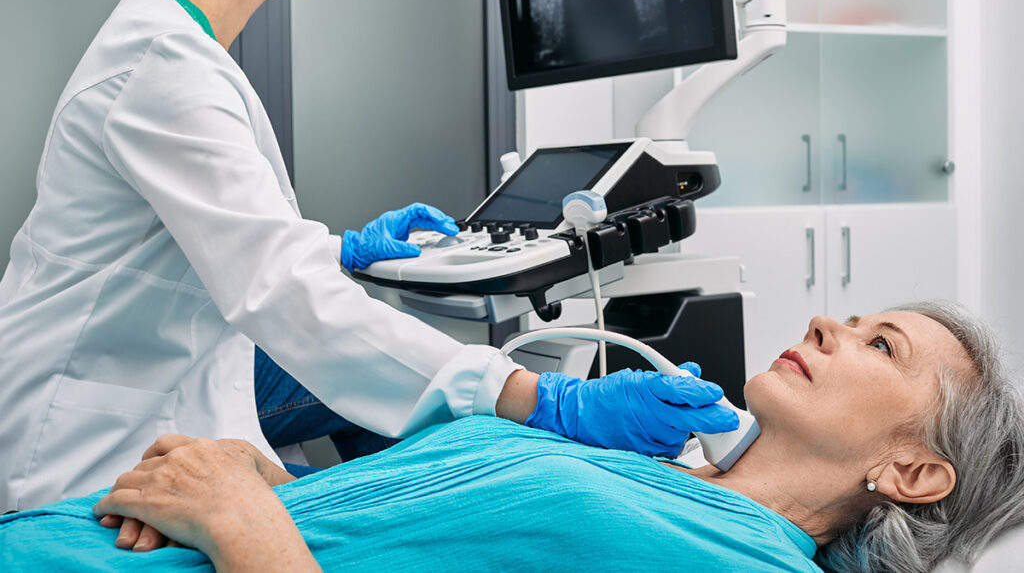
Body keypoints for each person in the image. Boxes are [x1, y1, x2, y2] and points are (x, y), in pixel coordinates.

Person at [0, 0, 737, 513]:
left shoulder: (175, 48)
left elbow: (228, 242)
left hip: (153, 359)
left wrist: (340, 251)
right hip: (84, 424)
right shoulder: (168, 71)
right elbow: (279, 286)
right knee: (436, 415)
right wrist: (543, 397)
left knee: (413, 401)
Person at [2, 301, 1021, 572]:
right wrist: (252, 477)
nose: (828, 323)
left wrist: (244, 525)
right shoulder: (669, 485)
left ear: (912, 471)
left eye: (880, 344)